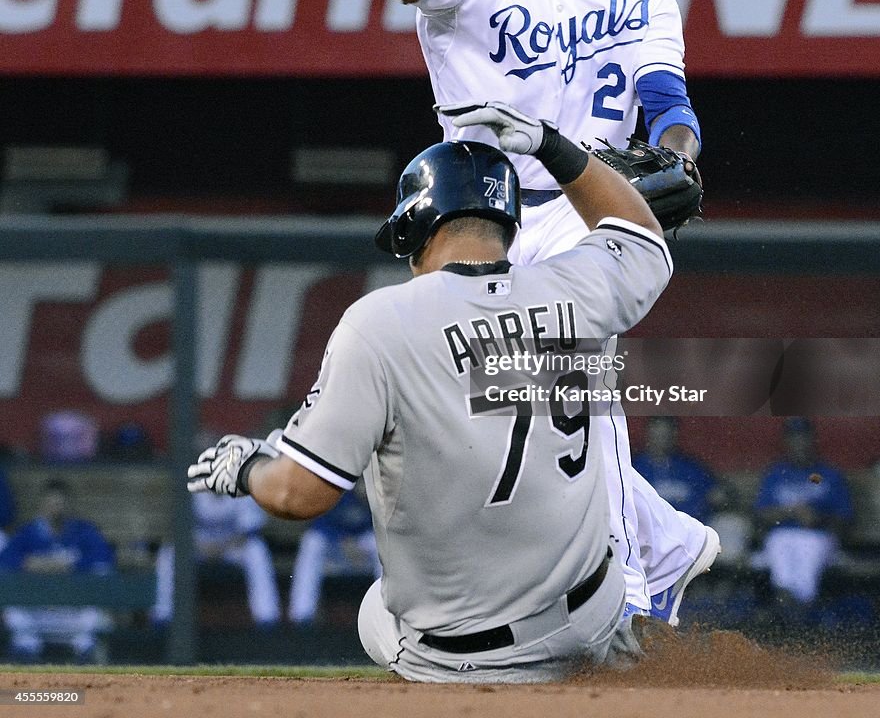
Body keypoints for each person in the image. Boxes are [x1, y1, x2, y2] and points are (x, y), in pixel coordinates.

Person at [365, 0, 718, 626]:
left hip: (582, 200)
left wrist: (677, 155)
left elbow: (666, 100)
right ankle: (665, 540)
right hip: (481, 208)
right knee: (493, 411)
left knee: (575, 379)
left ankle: (630, 587)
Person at [189, 104, 679, 682]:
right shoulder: (575, 285)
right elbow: (643, 237)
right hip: (589, 622)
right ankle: (652, 587)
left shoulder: (381, 323)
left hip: (472, 658)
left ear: (417, 229)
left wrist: (247, 468)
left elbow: (299, 495)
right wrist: (555, 147)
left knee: (378, 608)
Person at [152, 458, 280, 627]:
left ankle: (267, 617)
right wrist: (202, 547)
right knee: (169, 553)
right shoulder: (193, 488)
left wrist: (220, 548)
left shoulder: (242, 487)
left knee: (256, 551)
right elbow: (178, 530)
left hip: (231, 547)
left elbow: (249, 533)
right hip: (198, 547)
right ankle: (163, 615)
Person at [0, 479, 114, 662]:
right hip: (38, 609)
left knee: (94, 618)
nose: (55, 508)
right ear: (42, 505)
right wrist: (29, 563)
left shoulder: (83, 531)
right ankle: (23, 674)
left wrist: (70, 564)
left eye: (60, 503)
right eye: (51, 503)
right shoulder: (28, 533)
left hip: (73, 610)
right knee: (16, 617)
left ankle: (91, 676)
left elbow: (104, 558)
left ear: (69, 505)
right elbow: (5, 560)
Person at [753, 418, 852, 610]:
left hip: (818, 536)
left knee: (807, 552)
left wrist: (817, 518)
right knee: (779, 546)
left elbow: (845, 517)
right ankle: (794, 614)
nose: (799, 443)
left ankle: (795, 614)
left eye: (803, 437)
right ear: (786, 442)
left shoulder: (829, 474)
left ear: (812, 440)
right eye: (793, 438)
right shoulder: (775, 474)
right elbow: (760, 515)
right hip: (781, 534)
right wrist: (790, 512)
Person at [288, 487, 380, 624]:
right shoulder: (335, 489)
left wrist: (355, 543)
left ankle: (386, 615)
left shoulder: (381, 494)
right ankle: (302, 617)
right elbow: (319, 524)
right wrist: (344, 541)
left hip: (363, 551)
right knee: (312, 542)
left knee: (383, 546)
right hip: (335, 551)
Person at [632, 417, 721, 524]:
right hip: (647, 530)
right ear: (647, 436)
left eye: (665, 436)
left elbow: (715, 496)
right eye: (656, 436)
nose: (660, 441)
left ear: (674, 436)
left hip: (691, 528)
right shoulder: (634, 467)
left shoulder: (691, 467)